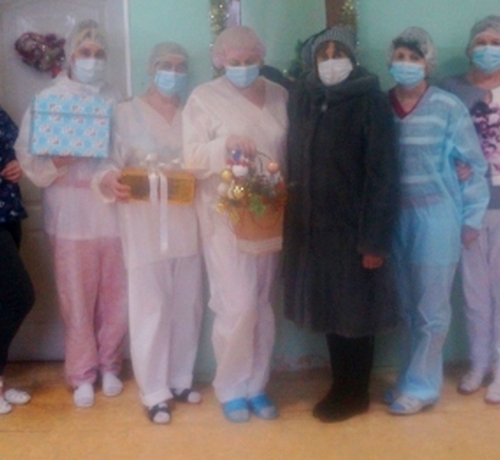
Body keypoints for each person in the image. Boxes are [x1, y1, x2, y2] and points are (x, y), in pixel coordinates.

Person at [283, 25, 399, 423]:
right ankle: (340, 385)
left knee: (357, 314)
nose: (332, 62)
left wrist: (374, 241)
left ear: (353, 58)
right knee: (332, 312)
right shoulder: (307, 99)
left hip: (355, 230)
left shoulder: (370, 101)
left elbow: (383, 174)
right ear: (313, 61)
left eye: (339, 54)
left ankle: (355, 392)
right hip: (316, 231)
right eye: (324, 55)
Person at [15, 20, 127, 408]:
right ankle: (82, 373)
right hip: (69, 215)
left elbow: (123, 150)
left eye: (99, 54)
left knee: (116, 295)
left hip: (111, 211)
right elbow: (27, 154)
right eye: (85, 53)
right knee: (76, 298)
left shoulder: (116, 99)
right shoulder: (48, 99)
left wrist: (110, 170)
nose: (93, 60)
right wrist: (57, 161)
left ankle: (110, 365)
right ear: (70, 56)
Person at [182, 26, 288, 423]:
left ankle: (257, 385)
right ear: (221, 61)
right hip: (224, 214)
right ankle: (230, 387)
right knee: (237, 305)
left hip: (268, 211)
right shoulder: (203, 98)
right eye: (235, 61)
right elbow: (191, 157)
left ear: (261, 58)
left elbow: (287, 150)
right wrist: (223, 145)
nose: (243, 67)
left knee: (262, 304)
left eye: (250, 60)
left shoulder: (279, 95)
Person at [95, 42, 203, 424]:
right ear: (151, 68)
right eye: (165, 65)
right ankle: (154, 390)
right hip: (142, 221)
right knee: (150, 306)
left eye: (180, 66)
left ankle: (180, 379)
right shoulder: (125, 112)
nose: (173, 72)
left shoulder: (193, 113)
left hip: (187, 219)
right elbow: (106, 160)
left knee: (188, 303)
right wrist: (108, 178)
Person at [386, 27, 489, 415]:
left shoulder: (447, 106)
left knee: (431, 310)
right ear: (390, 61)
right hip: (393, 219)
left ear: (427, 64)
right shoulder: (380, 106)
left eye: (414, 58)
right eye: (400, 57)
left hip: (437, 218)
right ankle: (407, 379)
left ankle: (423, 387)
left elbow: (473, 165)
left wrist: (471, 218)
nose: (407, 64)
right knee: (404, 307)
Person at [442, 15, 500, 404]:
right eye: (481, 42)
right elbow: (440, 138)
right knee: (474, 291)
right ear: (469, 48)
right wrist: (454, 163)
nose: (488, 49)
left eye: (496, 42)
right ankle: (478, 363)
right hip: (468, 205)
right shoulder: (453, 91)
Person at [0, 105, 35, 414]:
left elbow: (21, 148)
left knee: (3, 301)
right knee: (19, 296)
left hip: (8, 212)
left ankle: (0, 381)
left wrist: (17, 165)